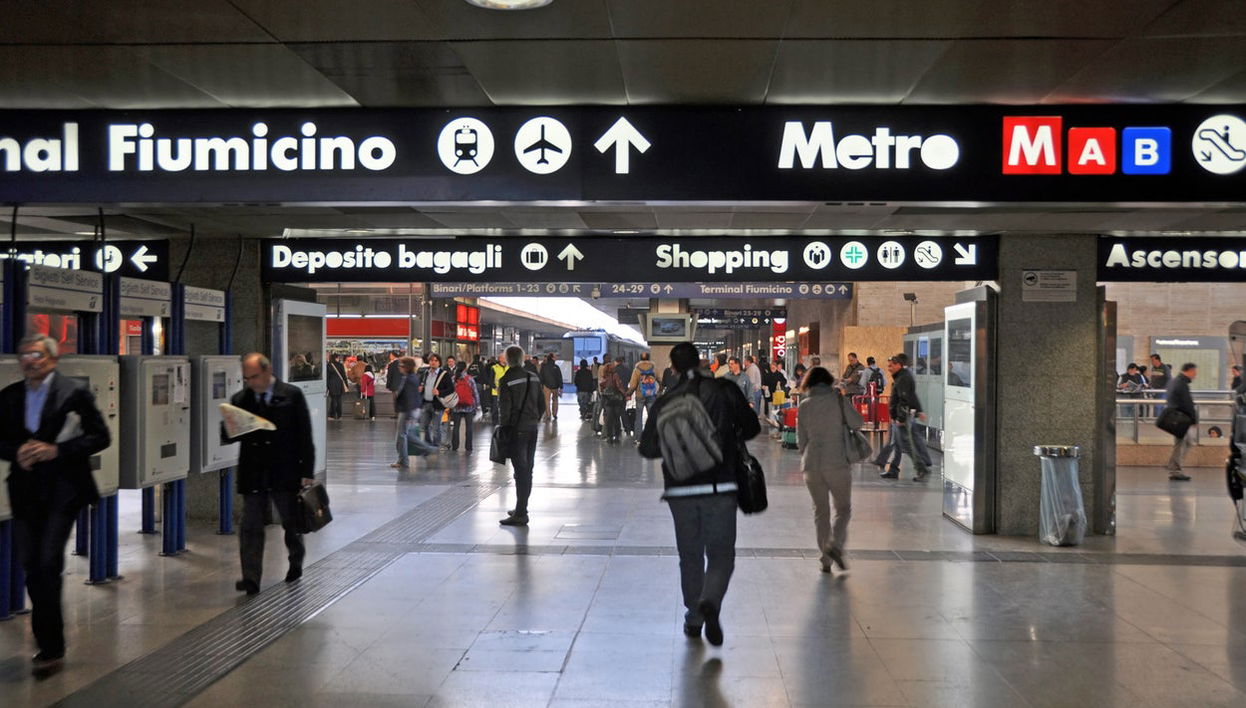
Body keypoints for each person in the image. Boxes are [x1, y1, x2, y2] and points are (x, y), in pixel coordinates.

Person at [0, 334, 110, 676]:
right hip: (25, 491)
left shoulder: (73, 392)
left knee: (47, 561)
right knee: (32, 563)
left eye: (35, 354)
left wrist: (57, 451)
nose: (29, 361)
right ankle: (49, 639)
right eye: (24, 355)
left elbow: (100, 436)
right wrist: (15, 451)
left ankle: (51, 645)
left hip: (64, 491)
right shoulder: (10, 396)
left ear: (50, 358)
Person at [638, 341, 760, 646]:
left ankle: (694, 616)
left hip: (680, 491)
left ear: (674, 367)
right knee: (721, 555)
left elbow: (648, 448)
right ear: (703, 362)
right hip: (721, 485)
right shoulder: (725, 390)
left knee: (689, 555)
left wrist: (679, 445)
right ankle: (711, 601)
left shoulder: (665, 401)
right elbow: (752, 428)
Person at [228, 353, 314, 596]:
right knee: (251, 526)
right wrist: (231, 427)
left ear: (268, 372)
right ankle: (251, 578)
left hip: (284, 471)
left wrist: (306, 471)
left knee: (290, 522)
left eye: (254, 377)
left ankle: (296, 560)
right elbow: (228, 434)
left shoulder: (291, 395)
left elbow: (304, 435)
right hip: (254, 473)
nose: (251, 382)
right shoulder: (241, 399)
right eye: (247, 378)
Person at [797, 367, 864, 574]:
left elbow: (801, 441)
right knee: (843, 509)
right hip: (837, 463)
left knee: (821, 512)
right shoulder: (837, 399)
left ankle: (825, 560)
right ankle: (835, 545)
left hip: (811, 465)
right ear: (829, 382)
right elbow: (858, 423)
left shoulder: (804, 405)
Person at [497, 346, 545, 526]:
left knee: (520, 471)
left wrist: (504, 430)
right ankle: (520, 507)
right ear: (522, 358)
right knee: (528, 470)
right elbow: (542, 405)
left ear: (508, 359)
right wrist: (534, 419)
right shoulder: (533, 377)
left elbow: (505, 410)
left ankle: (521, 513)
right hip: (532, 428)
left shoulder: (506, 379)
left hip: (517, 430)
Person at [872, 353, 933, 481]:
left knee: (907, 445)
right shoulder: (901, 376)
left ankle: (921, 467)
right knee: (898, 444)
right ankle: (894, 469)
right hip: (898, 417)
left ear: (899, 365)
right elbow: (910, 395)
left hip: (902, 418)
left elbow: (904, 399)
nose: (889, 368)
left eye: (891, 366)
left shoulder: (903, 378)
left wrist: (900, 418)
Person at [1164, 363, 1198, 481]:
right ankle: (1175, 470)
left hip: (1177, 417)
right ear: (1189, 370)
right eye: (1194, 372)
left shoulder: (1176, 381)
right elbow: (1187, 403)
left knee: (1186, 442)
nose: (1195, 375)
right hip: (1181, 418)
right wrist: (1193, 419)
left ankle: (1173, 465)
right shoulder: (1181, 383)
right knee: (1182, 443)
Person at [390, 356, 425, 473]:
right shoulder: (410, 378)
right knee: (404, 436)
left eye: (401, 365)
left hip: (407, 411)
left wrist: (409, 414)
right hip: (408, 410)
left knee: (402, 436)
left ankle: (404, 461)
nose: (399, 367)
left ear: (406, 367)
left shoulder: (409, 379)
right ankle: (402, 459)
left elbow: (410, 398)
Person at [418, 354, 454, 448]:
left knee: (436, 427)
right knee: (424, 426)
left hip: (437, 405)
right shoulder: (426, 373)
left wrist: (440, 392)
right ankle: (428, 444)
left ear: (439, 363)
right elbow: (422, 384)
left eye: (435, 360)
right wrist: (421, 389)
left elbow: (451, 389)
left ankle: (435, 446)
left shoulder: (444, 374)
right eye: (431, 360)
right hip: (426, 403)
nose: (433, 362)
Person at [450, 361, 479, 452]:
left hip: (457, 406)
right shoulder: (470, 379)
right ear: (465, 368)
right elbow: (475, 393)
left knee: (456, 427)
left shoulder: (454, 379)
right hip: (469, 406)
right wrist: (477, 405)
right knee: (469, 427)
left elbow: (450, 392)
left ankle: (455, 446)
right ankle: (468, 447)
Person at [627, 352, 659, 433]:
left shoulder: (637, 370)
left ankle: (638, 438)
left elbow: (633, 385)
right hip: (651, 394)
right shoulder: (654, 368)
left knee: (638, 417)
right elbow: (660, 380)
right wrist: (659, 391)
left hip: (640, 395)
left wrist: (628, 394)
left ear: (640, 359)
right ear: (649, 358)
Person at [598, 360, 627, 443]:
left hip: (607, 400)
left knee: (608, 419)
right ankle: (617, 436)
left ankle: (609, 437)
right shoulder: (615, 376)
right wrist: (625, 394)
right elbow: (619, 387)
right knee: (616, 419)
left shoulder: (603, 377)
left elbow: (601, 389)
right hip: (616, 400)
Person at [539, 353, 563, 421]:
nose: (556, 357)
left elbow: (541, 376)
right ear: (552, 358)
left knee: (547, 401)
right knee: (555, 400)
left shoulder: (544, 367)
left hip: (546, 386)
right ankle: (555, 414)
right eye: (555, 356)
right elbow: (559, 377)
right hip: (555, 386)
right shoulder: (556, 367)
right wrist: (561, 387)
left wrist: (542, 385)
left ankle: (548, 415)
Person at [325, 352, 349, 420]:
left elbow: (327, 377)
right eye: (338, 357)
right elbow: (344, 376)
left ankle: (332, 415)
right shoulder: (340, 365)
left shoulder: (328, 365)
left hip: (331, 384)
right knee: (339, 400)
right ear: (336, 358)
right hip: (339, 385)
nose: (339, 359)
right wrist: (346, 385)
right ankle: (339, 415)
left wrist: (327, 386)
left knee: (333, 400)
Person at [384, 350, 403, 418]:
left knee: (396, 400)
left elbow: (389, 376)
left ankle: (397, 414)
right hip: (403, 385)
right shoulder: (402, 363)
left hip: (395, 386)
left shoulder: (392, 365)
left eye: (390, 355)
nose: (389, 356)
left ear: (392, 355)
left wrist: (388, 385)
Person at [490, 357, 507, 425]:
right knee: (495, 408)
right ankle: (495, 422)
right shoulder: (494, 367)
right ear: (500, 359)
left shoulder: (509, 367)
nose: (506, 359)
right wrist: (495, 387)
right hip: (496, 391)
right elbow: (491, 380)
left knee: (506, 407)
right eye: (504, 358)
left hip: (507, 392)